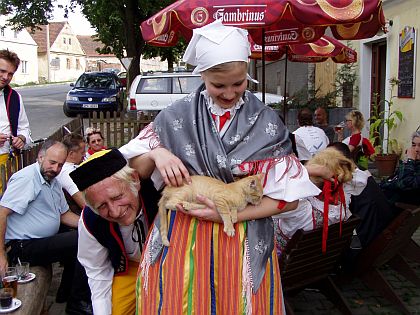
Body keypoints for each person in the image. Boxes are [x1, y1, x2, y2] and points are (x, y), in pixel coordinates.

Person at [120, 20, 320, 314]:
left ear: (247, 74)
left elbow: (288, 202)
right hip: (181, 238)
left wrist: (231, 214)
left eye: (238, 83)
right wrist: (158, 152)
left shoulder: (266, 123)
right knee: (180, 303)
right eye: (218, 85)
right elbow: (139, 169)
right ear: (202, 76)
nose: (229, 93)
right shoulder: (175, 116)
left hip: (240, 239)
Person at [0, 140, 92, 314]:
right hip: (21, 246)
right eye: (52, 162)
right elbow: (1, 213)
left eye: (60, 165)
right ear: (40, 157)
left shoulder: (52, 180)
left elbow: (63, 215)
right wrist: (1, 255)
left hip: (40, 241)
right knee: (80, 239)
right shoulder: (27, 178)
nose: (56, 169)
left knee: (86, 233)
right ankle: (78, 303)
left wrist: (90, 224)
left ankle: (66, 293)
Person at [69, 149, 159, 315]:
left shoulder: (158, 193)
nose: (115, 212)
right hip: (130, 269)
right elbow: (97, 272)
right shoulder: (90, 221)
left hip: (166, 262)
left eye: (117, 197)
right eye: (102, 206)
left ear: (134, 179)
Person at [0, 49, 31, 192]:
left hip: (9, 163)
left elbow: (24, 128)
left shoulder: (15, 97)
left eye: (10, 73)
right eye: (2, 71)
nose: (6, 77)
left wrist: (21, 138)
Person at [381, 131, 420, 209]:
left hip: (397, 208)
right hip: (385, 197)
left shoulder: (412, 164)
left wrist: (410, 161)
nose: (416, 149)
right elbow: (394, 178)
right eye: (413, 145)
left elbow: (404, 184)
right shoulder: (413, 164)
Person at [57, 133, 87, 215]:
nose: (85, 154)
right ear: (71, 154)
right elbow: (84, 203)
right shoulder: (67, 173)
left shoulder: (71, 166)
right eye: (82, 152)